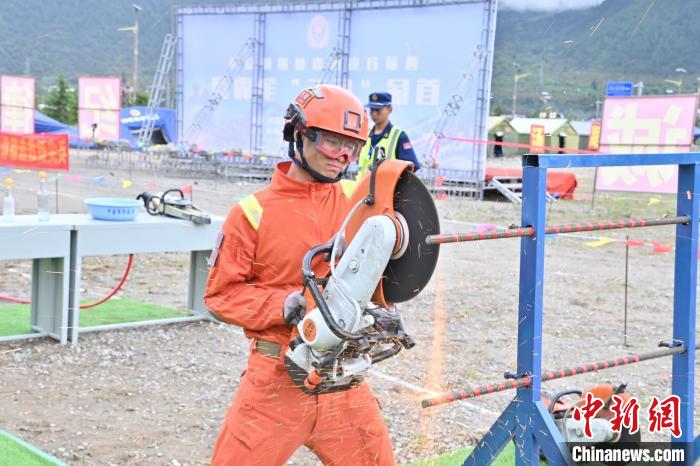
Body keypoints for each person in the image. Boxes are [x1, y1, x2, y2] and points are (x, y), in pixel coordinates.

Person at [204, 84, 395, 466]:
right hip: (276, 379)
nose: (342, 156)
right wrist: (283, 304)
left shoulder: (357, 203)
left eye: (352, 146)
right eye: (331, 141)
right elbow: (220, 296)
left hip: (343, 376)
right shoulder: (252, 213)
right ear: (298, 133)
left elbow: (384, 265)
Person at [356, 91, 420, 179]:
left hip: (385, 187)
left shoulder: (399, 136)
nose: (374, 113)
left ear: (390, 109)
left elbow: (412, 166)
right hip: (362, 186)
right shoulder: (366, 135)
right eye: (372, 109)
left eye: (378, 110)